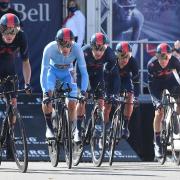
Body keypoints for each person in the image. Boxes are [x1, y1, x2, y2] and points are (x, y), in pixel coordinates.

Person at [40, 27, 89, 142]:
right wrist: (45, 92)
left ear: (73, 43)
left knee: (72, 102)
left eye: (69, 45)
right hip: (52, 73)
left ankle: (75, 129)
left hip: (68, 74)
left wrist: (83, 91)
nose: (66, 48)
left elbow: (84, 73)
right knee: (47, 95)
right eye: (62, 45)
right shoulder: (49, 49)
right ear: (57, 43)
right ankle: (49, 127)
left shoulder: (77, 49)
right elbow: (43, 73)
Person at [76, 32, 120, 143]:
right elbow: (79, 74)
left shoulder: (110, 54)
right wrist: (82, 91)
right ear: (91, 47)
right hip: (83, 73)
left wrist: (112, 93)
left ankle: (99, 126)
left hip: (98, 74)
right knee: (82, 99)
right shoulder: (83, 52)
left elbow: (114, 75)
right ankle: (77, 128)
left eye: (102, 49)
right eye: (96, 49)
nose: (99, 52)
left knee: (101, 100)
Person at [0, 13, 31, 159]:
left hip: (9, 70)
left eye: (13, 31)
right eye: (6, 31)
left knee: (13, 105)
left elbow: (25, 63)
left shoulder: (21, 37)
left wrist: (27, 83)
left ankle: (9, 140)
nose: (9, 35)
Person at [147, 43, 180, 158]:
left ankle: (175, 116)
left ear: (170, 56)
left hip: (170, 82)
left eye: (165, 57)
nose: (163, 60)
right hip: (156, 85)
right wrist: (157, 102)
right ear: (157, 56)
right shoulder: (151, 64)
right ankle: (157, 142)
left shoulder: (175, 61)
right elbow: (151, 86)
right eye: (160, 57)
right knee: (159, 111)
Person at [107, 41, 140, 139]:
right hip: (112, 81)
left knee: (130, 96)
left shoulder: (133, 62)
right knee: (108, 101)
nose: (124, 60)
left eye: (127, 57)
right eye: (122, 56)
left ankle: (125, 126)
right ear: (117, 55)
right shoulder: (111, 61)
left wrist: (136, 97)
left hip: (125, 80)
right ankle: (106, 123)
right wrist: (108, 94)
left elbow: (136, 82)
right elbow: (105, 79)